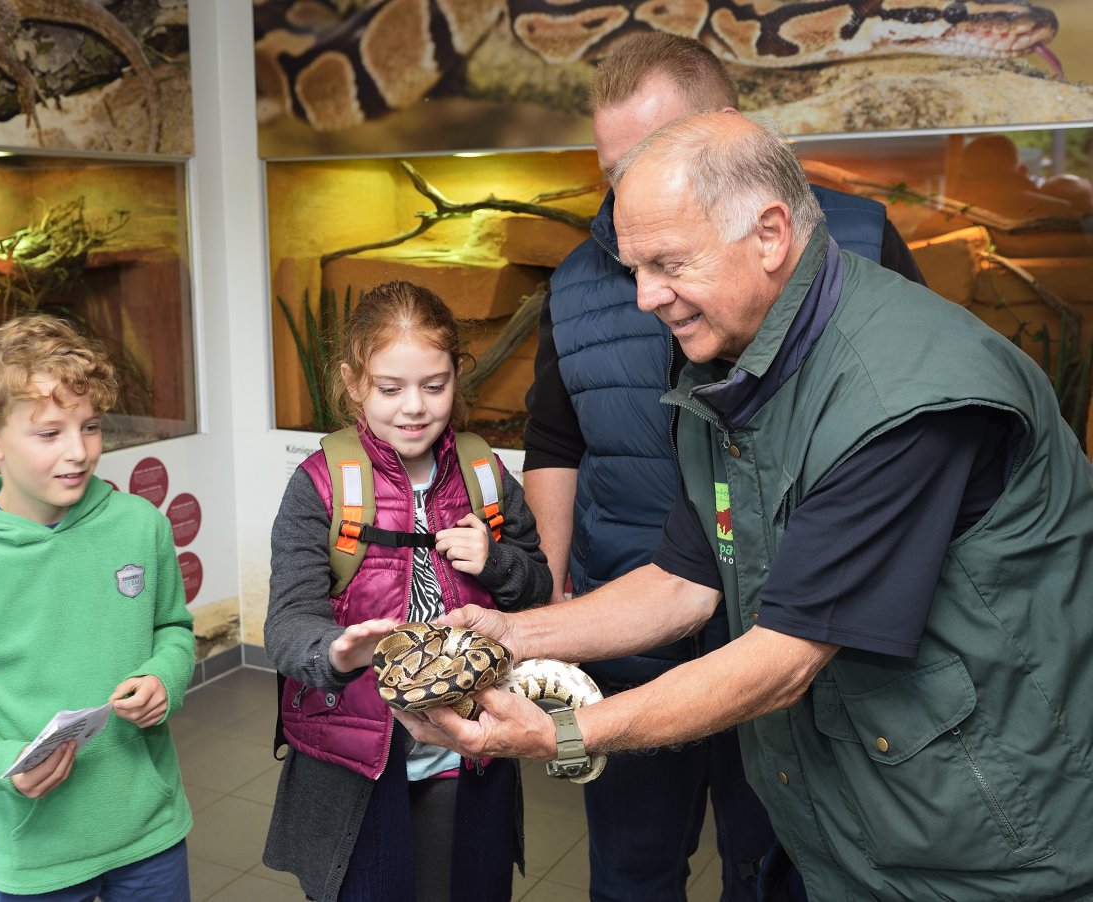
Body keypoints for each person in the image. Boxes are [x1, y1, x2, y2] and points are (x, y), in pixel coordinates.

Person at [398, 113, 1093, 901]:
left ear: (768, 234)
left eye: (667, 264)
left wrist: (561, 733)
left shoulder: (899, 399)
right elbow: (682, 580)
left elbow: (782, 661)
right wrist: (517, 633)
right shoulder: (733, 367)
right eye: (633, 268)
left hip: (987, 843)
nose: (643, 297)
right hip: (856, 820)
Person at [522, 32, 924, 902]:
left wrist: (553, 730)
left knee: (777, 867)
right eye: (612, 169)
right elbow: (562, 448)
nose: (648, 293)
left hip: (796, 647)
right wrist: (542, 605)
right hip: (631, 624)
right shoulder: (579, 284)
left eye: (652, 158)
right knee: (631, 872)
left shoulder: (859, 261)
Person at [262, 280, 552, 902]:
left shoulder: (485, 473)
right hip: (356, 760)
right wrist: (334, 653)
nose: (414, 407)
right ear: (353, 382)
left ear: (457, 375)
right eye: (391, 389)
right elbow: (287, 622)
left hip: (468, 751)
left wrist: (497, 562)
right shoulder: (320, 485)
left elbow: (537, 588)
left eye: (434, 385)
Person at [0, 314, 195, 901]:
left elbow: (172, 628)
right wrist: (1, 759)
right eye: (49, 433)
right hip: (36, 854)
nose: (78, 452)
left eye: (91, 427)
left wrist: (165, 676)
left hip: (151, 831)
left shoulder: (139, 526)